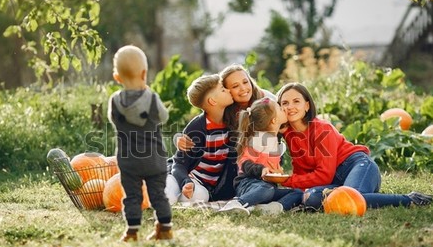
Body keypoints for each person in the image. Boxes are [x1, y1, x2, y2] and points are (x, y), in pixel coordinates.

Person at [271, 82, 432, 210]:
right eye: (285, 103)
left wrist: (287, 180)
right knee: (312, 197)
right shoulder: (288, 134)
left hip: (357, 166)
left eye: (296, 101)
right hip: (335, 181)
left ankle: (409, 199)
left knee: (351, 197)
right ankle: (332, 197)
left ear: (307, 106)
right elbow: (303, 172)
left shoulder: (321, 130)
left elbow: (323, 176)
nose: (290, 106)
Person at [108, 45, 173, 241]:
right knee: (158, 195)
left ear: (117, 78)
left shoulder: (115, 101)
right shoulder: (152, 99)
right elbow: (164, 117)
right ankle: (165, 229)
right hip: (154, 160)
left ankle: (132, 232)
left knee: (132, 197)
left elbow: (114, 120)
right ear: (144, 73)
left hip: (129, 161)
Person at [218, 97, 304, 215]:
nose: (283, 109)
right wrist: (261, 170)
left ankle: (271, 208)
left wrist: (277, 172)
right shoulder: (259, 139)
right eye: (279, 108)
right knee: (266, 190)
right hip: (248, 183)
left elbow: (271, 166)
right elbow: (244, 163)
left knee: (298, 193)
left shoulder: (274, 139)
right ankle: (237, 203)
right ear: (274, 120)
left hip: (267, 186)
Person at [166, 74, 237, 205]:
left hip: (204, 186)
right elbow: (179, 163)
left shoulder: (231, 122)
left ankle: (177, 193)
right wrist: (185, 181)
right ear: (213, 101)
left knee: (200, 197)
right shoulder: (197, 128)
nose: (228, 90)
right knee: (168, 195)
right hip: (185, 176)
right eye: (223, 89)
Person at [177, 64, 274, 150]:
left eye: (245, 82)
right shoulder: (224, 108)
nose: (243, 88)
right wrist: (179, 138)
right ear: (226, 90)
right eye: (235, 86)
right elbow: (201, 124)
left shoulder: (265, 98)